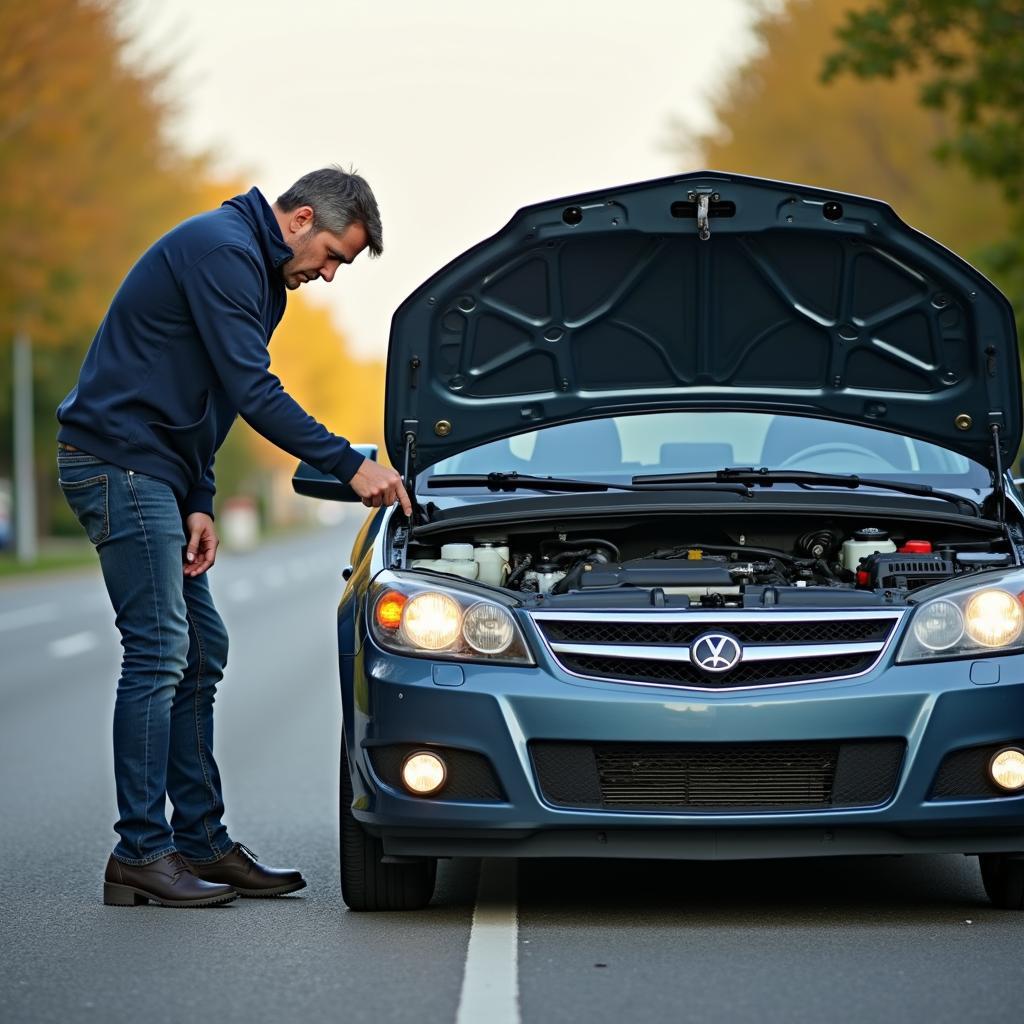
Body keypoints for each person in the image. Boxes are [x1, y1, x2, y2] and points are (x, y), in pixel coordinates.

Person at [56, 166, 411, 908]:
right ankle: (141, 852)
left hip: (153, 470)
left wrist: (199, 499)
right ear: (300, 218)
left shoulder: (260, 276)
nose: (331, 274)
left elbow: (211, 396)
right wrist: (349, 464)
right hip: (115, 461)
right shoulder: (223, 251)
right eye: (334, 256)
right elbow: (253, 390)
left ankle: (200, 841)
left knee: (201, 649)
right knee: (160, 648)